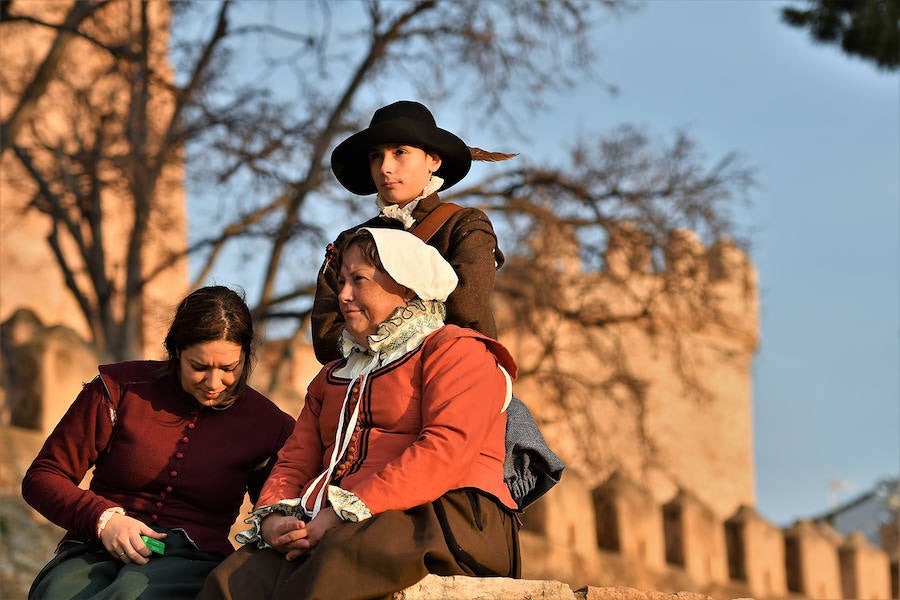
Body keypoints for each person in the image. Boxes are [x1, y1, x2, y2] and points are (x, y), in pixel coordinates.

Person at [197, 228, 520, 600]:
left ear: (407, 285)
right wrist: (274, 520)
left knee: (334, 566)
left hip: (445, 517)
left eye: (359, 281)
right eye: (342, 281)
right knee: (232, 580)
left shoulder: (457, 352)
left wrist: (341, 514)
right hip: (340, 522)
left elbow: (444, 451)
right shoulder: (332, 376)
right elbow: (295, 460)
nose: (344, 295)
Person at [22, 285, 296, 600]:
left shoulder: (269, 425)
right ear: (176, 350)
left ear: (245, 355)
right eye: (199, 367)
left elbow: (279, 509)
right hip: (93, 546)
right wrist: (103, 519)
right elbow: (42, 476)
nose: (213, 383)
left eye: (228, 368)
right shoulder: (119, 389)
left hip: (193, 561)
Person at [312, 100, 512, 364]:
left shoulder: (464, 225)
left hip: (457, 376)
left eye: (400, 152)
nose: (385, 167)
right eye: (376, 156)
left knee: (516, 408)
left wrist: (375, 330)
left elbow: (465, 308)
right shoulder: (349, 242)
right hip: (370, 388)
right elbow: (325, 337)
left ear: (434, 160)